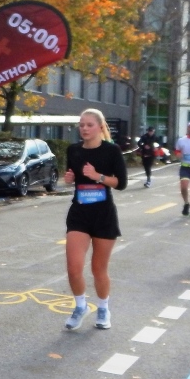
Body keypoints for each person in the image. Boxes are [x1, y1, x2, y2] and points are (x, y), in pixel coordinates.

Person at [63, 109, 127, 331]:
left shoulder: (112, 151)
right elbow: (72, 176)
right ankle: (80, 306)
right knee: (73, 267)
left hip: (103, 215)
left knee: (98, 269)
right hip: (79, 213)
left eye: (89, 125)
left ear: (100, 127)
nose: (84, 129)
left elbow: (121, 183)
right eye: (81, 125)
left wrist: (97, 176)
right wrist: (70, 178)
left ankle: (103, 308)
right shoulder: (73, 150)